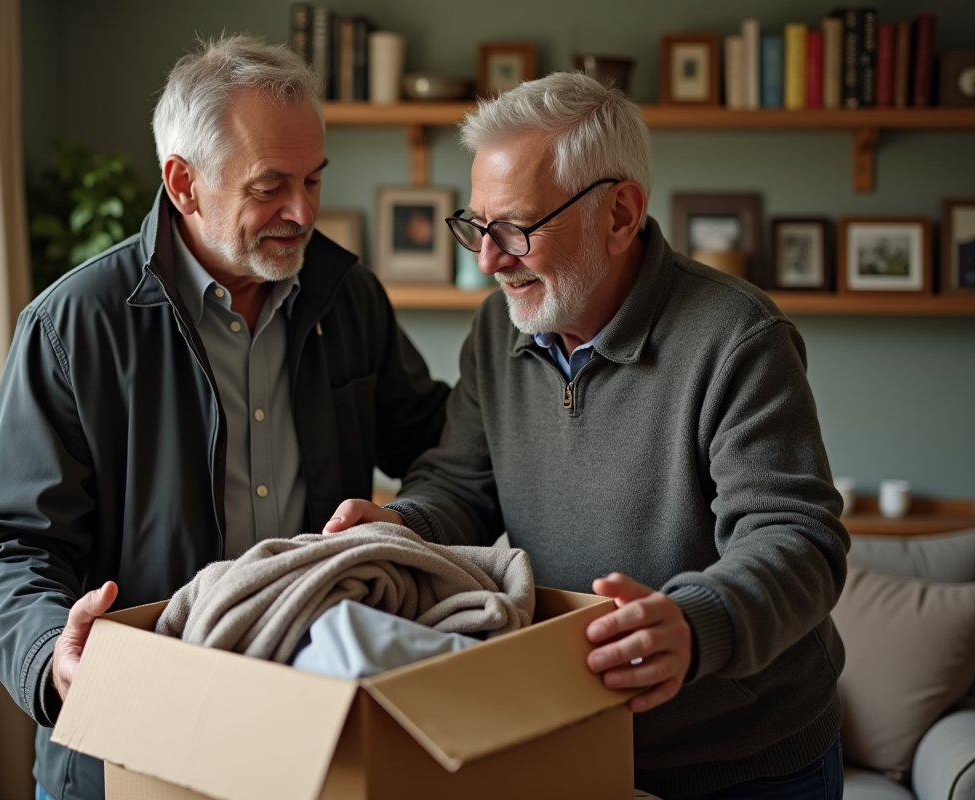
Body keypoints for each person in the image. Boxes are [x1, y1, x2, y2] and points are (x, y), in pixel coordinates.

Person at [325, 72, 848, 800]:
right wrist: (401, 526)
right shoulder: (497, 328)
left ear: (620, 214)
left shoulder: (738, 337)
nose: (488, 260)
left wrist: (698, 623)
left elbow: (798, 539)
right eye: (477, 226)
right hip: (567, 732)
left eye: (516, 228)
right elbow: (460, 484)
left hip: (743, 761)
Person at [0, 36, 449, 800]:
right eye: (270, 186)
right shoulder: (72, 326)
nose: (303, 212)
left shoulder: (348, 297)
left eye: (313, 180)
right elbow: (8, 547)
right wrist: (50, 650)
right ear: (183, 184)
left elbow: (437, 442)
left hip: (313, 730)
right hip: (129, 741)